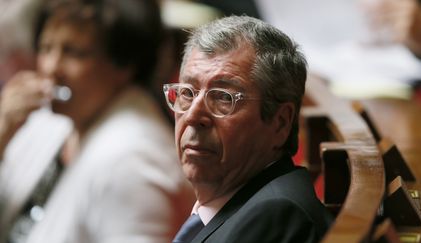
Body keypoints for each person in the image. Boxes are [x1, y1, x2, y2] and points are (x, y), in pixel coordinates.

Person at [0, 0, 194, 242]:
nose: (51, 68)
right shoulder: (50, 120)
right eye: (45, 48)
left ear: (123, 63)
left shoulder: (135, 160)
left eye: (74, 52)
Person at [163, 16, 333, 243]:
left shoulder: (275, 217)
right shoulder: (242, 205)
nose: (193, 116)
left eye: (223, 97)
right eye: (187, 93)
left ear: (280, 122)